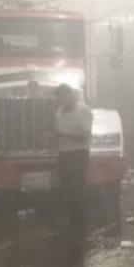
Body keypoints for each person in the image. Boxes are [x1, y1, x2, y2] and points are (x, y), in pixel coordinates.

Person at [52, 83, 92, 228]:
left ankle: (79, 222)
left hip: (78, 154)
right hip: (63, 154)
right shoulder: (60, 111)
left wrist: (63, 134)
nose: (59, 99)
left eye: (61, 96)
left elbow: (85, 136)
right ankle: (71, 219)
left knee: (76, 188)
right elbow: (59, 131)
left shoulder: (83, 111)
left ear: (69, 95)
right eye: (58, 96)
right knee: (65, 188)